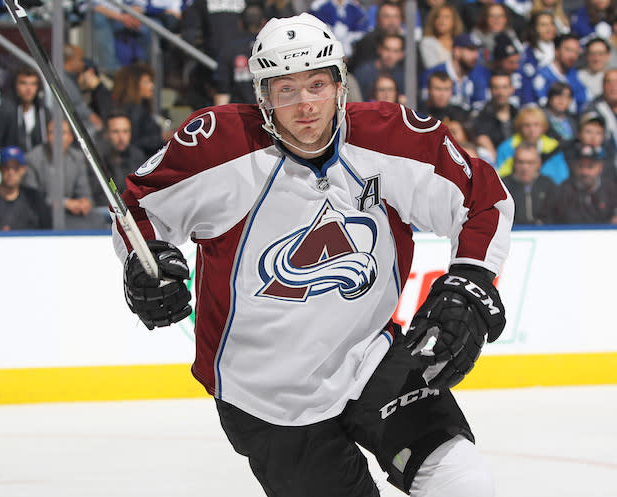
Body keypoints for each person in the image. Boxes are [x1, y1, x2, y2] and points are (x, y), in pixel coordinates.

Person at [113, 13, 513, 497]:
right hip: (265, 392)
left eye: (317, 84)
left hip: (371, 354)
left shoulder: (390, 138)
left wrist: (470, 282)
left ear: (340, 84)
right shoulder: (217, 146)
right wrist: (145, 262)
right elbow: (138, 209)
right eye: (286, 90)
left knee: (464, 480)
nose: (305, 105)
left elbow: (482, 199)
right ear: (263, 96)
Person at [23, 119, 104, 230]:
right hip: (44, 213)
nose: (57, 137)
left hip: (71, 214)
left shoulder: (77, 158)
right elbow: (32, 198)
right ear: (46, 136)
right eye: (52, 132)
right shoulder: (33, 159)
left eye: (62, 133)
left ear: (70, 137)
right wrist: (64, 203)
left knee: (97, 219)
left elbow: (84, 192)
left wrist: (84, 202)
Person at [539, 144, 617, 224]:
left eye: (590, 167)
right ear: (574, 167)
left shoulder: (612, 191)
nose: (585, 172)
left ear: (600, 167)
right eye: (581, 166)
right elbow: (546, 221)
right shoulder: (560, 192)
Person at [419, 33, 491, 115]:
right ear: (457, 51)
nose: (476, 55)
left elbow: (482, 105)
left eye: (477, 51)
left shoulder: (482, 73)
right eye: (471, 50)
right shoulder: (433, 74)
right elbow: (424, 105)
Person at [496, 104, 569, 183]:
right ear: (520, 127)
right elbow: (501, 176)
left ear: (543, 127)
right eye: (527, 125)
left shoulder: (554, 147)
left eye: (536, 125)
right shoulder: (507, 147)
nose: (532, 130)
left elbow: (562, 176)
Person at [112, 62, 172, 156]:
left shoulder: (139, 107)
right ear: (133, 85)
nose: (152, 86)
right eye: (146, 82)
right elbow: (132, 142)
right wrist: (161, 138)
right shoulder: (134, 110)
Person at [213, 3, 268, 106]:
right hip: (270, 112)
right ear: (264, 23)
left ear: (240, 24)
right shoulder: (270, 47)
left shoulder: (229, 49)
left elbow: (222, 90)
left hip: (240, 115)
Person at [0, 65, 50, 153]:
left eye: (33, 84)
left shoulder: (43, 112)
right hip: (11, 164)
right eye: (23, 83)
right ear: (15, 85)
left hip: (38, 164)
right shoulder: (3, 111)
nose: (29, 88)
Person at [0, 145, 51, 230]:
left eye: (16, 167)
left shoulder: (35, 200)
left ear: (23, 170)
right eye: (6, 167)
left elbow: (48, 231)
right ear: (0, 169)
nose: (11, 172)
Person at [92, 110, 147, 209]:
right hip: (104, 212)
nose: (121, 137)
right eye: (115, 132)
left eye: (125, 131)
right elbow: (95, 195)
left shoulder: (137, 156)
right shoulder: (95, 158)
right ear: (106, 134)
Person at [532, 33, 591, 112]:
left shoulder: (575, 75)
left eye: (576, 51)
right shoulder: (542, 76)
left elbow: (584, 102)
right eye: (568, 50)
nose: (572, 55)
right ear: (556, 51)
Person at [502, 140, 556, 224]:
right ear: (514, 163)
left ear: (539, 164)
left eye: (530, 162)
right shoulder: (503, 186)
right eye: (521, 162)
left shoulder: (548, 185)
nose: (525, 167)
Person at [472, 71, 518, 160]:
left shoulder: (519, 116)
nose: (500, 92)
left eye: (504, 87)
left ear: (512, 89)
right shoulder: (481, 118)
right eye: (496, 88)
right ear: (490, 90)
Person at [354, 33, 405, 102]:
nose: (390, 55)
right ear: (379, 49)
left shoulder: (403, 77)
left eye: (395, 51)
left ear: (401, 54)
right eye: (387, 49)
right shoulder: (363, 74)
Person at [419, 4, 464, 70]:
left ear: (454, 21)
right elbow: (433, 68)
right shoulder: (427, 42)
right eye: (438, 17)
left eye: (446, 17)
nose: (441, 21)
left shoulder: (461, 42)